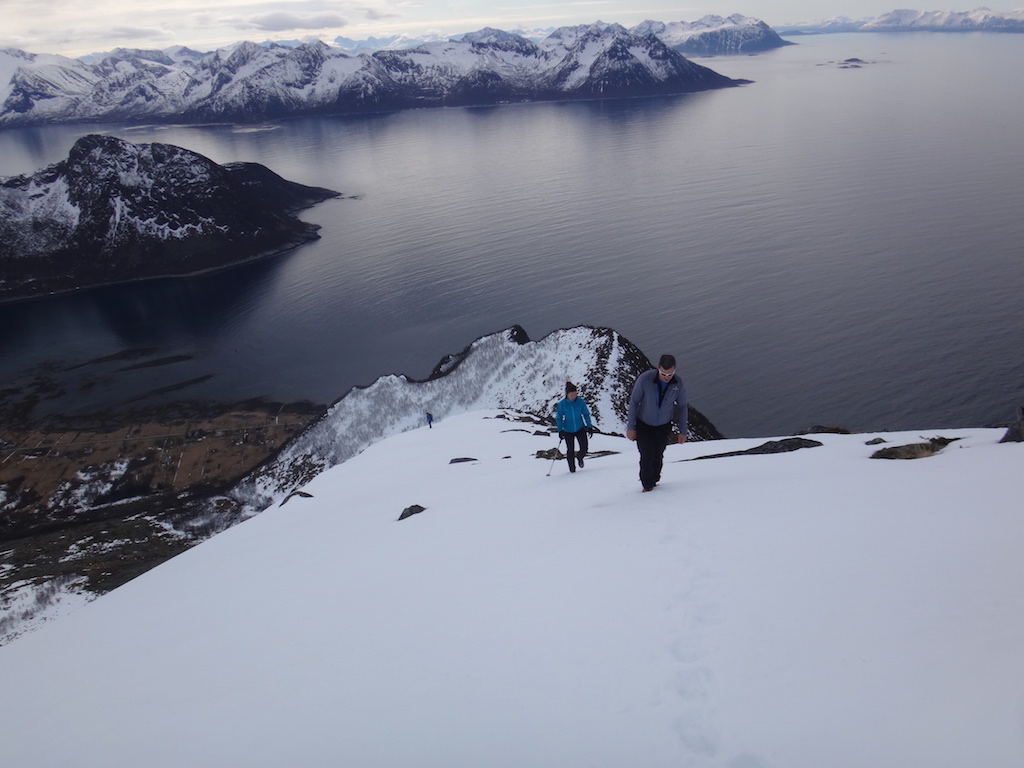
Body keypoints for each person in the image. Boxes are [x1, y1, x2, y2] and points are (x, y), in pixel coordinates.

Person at [626, 354, 688, 492]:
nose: (667, 377)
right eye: (663, 374)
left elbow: (683, 406)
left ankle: (654, 480)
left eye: (670, 374)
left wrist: (683, 431)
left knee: (658, 454)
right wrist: (631, 427)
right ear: (658, 368)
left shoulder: (678, 383)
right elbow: (634, 402)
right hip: (644, 424)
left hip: (664, 425)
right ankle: (647, 485)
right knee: (646, 455)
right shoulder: (645, 379)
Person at [555, 381, 594, 474]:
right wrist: (560, 430)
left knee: (584, 448)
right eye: (571, 395)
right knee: (570, 450)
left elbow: (586, 414)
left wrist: (589, 426)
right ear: (567, 395)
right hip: (568, 430)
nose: (573, 397)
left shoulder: (580, 401)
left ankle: (580, 457)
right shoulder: (562, 404)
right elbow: (559, 418)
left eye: (575, 394)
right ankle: (572, 470)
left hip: (580, 428)